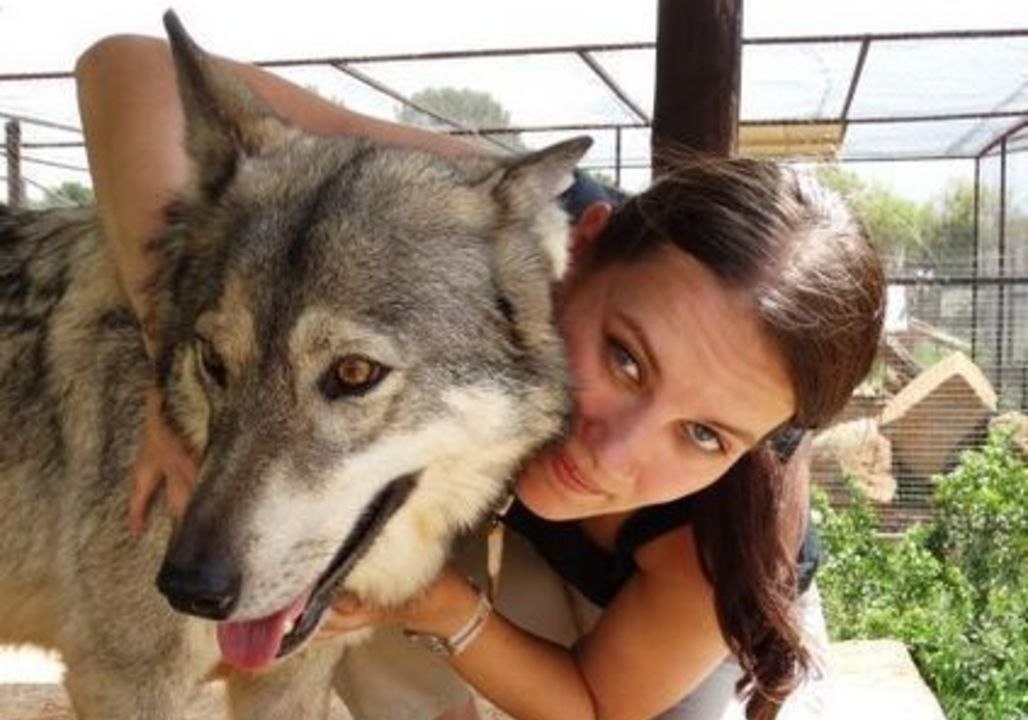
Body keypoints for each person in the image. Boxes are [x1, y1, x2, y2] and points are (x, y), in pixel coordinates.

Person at [75, 33, 885, 720]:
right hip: (511, 542)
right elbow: (127, 64)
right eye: (626, 357)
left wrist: (435, 605)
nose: (609, 452)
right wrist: (178, 351)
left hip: (678, 639)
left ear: (759, 443)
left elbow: (600, 704)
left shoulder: (728, 536)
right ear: (584, 242)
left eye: (704, 435)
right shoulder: (481, 224)